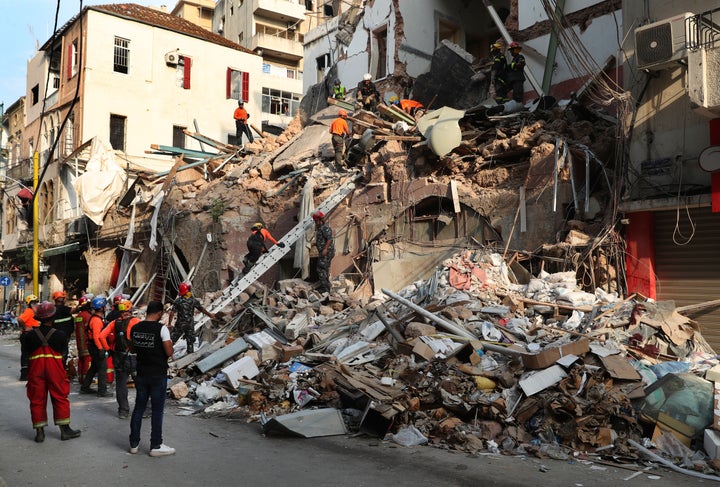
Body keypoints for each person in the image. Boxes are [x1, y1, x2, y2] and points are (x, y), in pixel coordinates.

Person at [22, 301, 81, 442]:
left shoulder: (30, 336)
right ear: (53, 317)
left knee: (36, 399)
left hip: (36, 369)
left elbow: (26, 351)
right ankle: (65, 430)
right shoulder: (60, 335)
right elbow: (63, 352)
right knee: (60, 397)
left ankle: (39, 432)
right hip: (55, 369)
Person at [128, 301, 175, 456]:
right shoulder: (161, 329)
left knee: (139, 408)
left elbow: (133, 348)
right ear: (160, 313)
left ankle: (134, 444)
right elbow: (169, 352)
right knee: (157, 410)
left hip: (141, 373)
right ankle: (156, 445)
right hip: (157, 374)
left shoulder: (135, 328)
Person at [100, 299, 140, 419]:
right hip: (135, 358)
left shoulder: (114, 323)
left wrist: (108, 349)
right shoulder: (137, 322)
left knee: (121, 384)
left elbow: (102, 336)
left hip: (119, 357)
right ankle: (145, 409)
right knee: (141, 384)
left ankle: (123, 411)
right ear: (130, 309)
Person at [168, 282, 216, 354]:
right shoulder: (193, 300)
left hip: (180, 324)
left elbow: (172, 313)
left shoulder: (178, 301)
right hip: (190, 324)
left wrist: (169, 323)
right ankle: (190, 356)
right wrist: (210, 315)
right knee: (190, 342)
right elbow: (202, 309)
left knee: (172, 340)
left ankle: (165, 354)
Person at [80, 296, 111, 397]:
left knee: (94, 367)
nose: (106, 308)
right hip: (96, 346)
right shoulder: (97, 321)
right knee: (102, 367)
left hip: (93, 346)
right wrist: (101, 349)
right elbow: (96, 337)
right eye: (104, 306)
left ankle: (85, 387)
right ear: (101, 308)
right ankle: (102, 391)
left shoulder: (95, 318)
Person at [18, 294, 40, 381]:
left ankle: (31, 372)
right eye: (34, 303)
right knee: (26, 354)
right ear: (30, 304)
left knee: (32, 354)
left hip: (33, 333)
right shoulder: (29, 311)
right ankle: (24, 374)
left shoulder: (34, 312)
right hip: (28, 334)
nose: (36, 304)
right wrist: (25, 328)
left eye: (36, 302)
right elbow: (20, 319)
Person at [72, 294, 93, 383]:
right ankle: (86, 381)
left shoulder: (79, 316)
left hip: (80, 344)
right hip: (87, 343)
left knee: (81, 361)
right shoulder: (87, 316)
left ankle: (81, 379)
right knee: (87, 362)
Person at [312, 211, 335, 293]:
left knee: (320, 268)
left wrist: (325, 249)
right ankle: (327, 287)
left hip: (326, 252)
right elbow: (323, 239)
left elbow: (329, 239)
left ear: (319, 219)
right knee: (324, 268)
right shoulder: (320, 228)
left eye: (315, 221)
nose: (315, 223)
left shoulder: (325, 227)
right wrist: (315, 244)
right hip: (324, 251)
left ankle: (325, 288)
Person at [51, 291, 74, 371]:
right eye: (63, 298)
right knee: (63, 353)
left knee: (57, 352)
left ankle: (56, 368)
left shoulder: (53, 309)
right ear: (61, 299)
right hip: (64, 335)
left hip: (55, 335)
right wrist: (82, 306)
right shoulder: (63, 309)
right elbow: (72, 311)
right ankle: (61, 368)